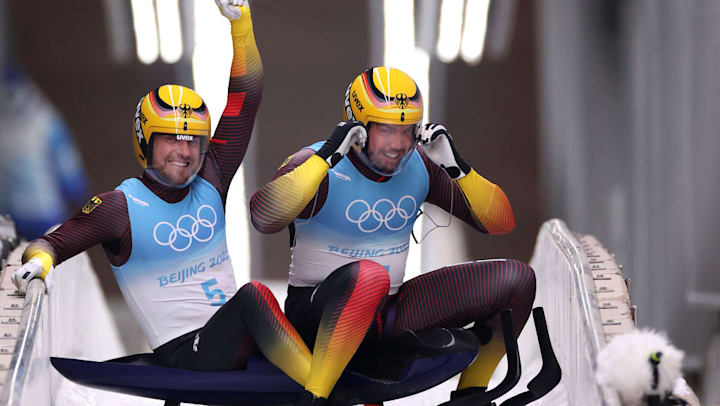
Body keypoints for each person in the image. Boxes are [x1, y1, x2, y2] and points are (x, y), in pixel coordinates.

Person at [12, 0, 314, 390]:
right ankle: (319, 393)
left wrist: (242, 29)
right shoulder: (118, 207)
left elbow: (245, 100)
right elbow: (51, 243)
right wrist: (38, 261)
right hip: (186, 353)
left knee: (310, 301)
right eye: (171, 140)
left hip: (236, 337)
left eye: (192, 142)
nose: (184, 153)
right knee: (257, 294)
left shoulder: (212, 177)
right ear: (145, 142)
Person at [250, 66, 537, 405]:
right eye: (386, 130)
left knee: (517, 279)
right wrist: (328, 157)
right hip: (318, 315)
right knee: (370, 274)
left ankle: (471, 394)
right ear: (356, 127)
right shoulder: (315, 162)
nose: (399, 145)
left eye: (407, 130)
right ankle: (316, 397)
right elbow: (263, 216)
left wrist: (456, 166)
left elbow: (500, 222)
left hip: (388, 312)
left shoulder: (420, 164)